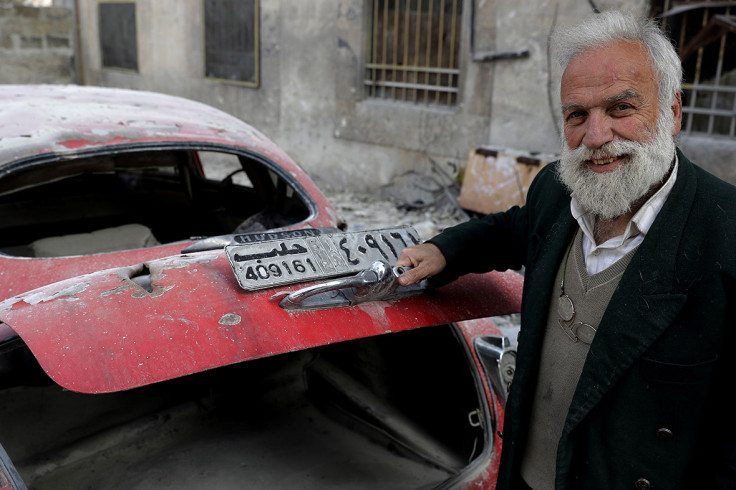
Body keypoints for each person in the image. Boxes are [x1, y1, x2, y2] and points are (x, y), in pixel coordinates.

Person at [396, 10, 736, 490]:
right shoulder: (557, 193)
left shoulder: (726, 234)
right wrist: (445, 250)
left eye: (621, 108)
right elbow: (512, 228)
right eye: (578, 115)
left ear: (673, 113)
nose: (596, 138)